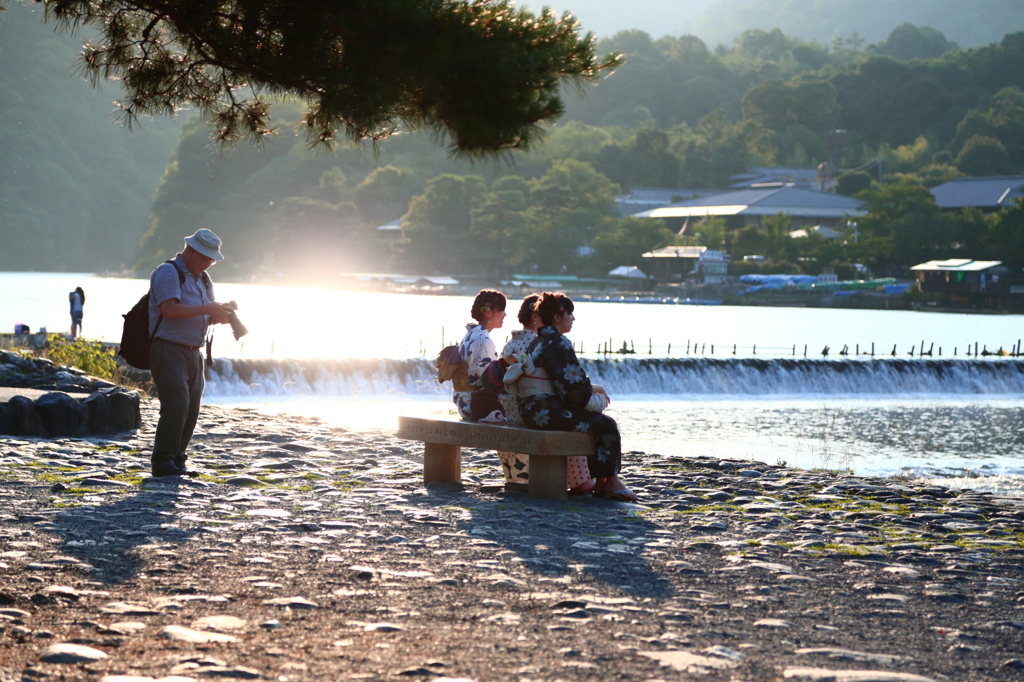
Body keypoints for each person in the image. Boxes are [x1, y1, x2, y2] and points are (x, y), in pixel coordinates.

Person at [519, 292, 636, 502]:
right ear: (557, 316)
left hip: (532, 410)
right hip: (547, 413)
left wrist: (587, 390)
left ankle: (601, 481)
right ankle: (609, 481)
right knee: (606, 425)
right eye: (570, 314)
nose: (573, 319)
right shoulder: (558, 342)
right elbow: (574, 390)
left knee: (596, 422)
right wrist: (592, 398)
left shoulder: (537, 342)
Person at [148, 229, 235, 477]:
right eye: (207, 257)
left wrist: (220, 316)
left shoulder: (203, 279)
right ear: (192, 251)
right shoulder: (168, 272)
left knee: (192, 407)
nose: (210, 262)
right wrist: (208, 308)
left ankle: (178, 459)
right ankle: (163, 461)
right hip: (168, 347)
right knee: (176, 405)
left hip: (194, 351)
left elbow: (204, 316)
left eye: (213, 259)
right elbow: (170, 311)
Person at [453, 289, 506, 422]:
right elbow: (484, 381)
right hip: (477, 405)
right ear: (488, 312)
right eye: (502, 310)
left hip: (463, 402)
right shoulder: (482, 340)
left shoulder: (471, 335)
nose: (505, 314)